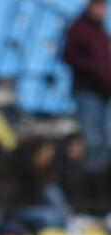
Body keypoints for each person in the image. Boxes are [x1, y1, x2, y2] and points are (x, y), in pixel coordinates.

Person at [63, 0, 111, 172]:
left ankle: (99, 178)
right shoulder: (79, 27)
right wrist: (92, 68)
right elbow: (68, 55)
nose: (101, 10)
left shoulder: (101, 30)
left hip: (103, 90)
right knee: (91, 136)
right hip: (87, 90)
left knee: (103, 136)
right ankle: (89, 177)